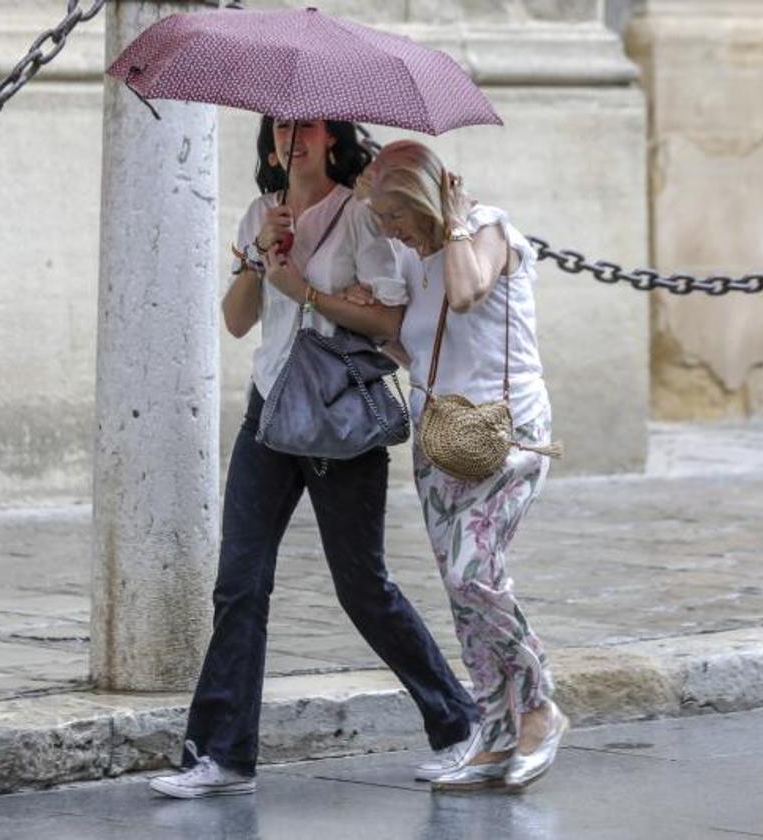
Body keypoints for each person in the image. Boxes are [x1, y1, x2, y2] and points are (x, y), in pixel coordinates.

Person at [148, 119, 479, 800]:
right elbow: (238, 321)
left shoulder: (358, 215)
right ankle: (221, 755)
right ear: (270, 141)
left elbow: (389, 323)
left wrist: (305, 289)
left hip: (336, 414)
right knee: (239, 583)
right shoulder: (259, 213)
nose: (292, 139)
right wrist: (258, 257)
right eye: (281, 128)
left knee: (363, 586)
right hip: (268, 412)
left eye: (306, 128)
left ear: (331, 138)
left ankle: (460, 723)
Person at [347, 139, 568, 791]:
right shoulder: (413, 263)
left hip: (506, 431)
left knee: (476, 574)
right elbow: (423, 350)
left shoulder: (490, 230)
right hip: (440, 435)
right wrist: (377, 326)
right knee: (463, 590)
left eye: (396, 217)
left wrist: (457, 221)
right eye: (382, 221)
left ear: (422, 199)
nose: (391, 232)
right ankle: (496, 734)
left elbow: (469, 292)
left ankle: (540, 707)